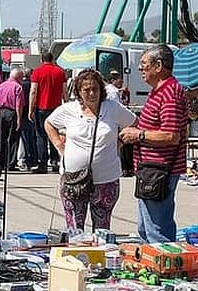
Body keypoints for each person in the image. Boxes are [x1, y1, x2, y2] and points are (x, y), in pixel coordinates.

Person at [45, 70, 137, 232]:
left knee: (102, 230)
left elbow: (134, 123)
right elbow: (49, 123)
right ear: (79, 91)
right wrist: (59, 146)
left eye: (95, 88)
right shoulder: (69, 110)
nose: (92, 93)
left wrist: (121, 141)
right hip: (74, 180)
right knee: (74, 228)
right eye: (86, 90)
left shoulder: (113, 108)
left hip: (106, 179)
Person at [119, 45, 188, 243]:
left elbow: (171, 135)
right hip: (150, 168)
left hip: (160, 170)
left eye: (144, 65)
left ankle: (163, 265)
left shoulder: (170, 93)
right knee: (145, 227)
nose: (141, 70)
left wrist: (138, 135)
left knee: (157, 229)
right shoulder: (159, 91)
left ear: (159, 66)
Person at [28, 51, 68, 173]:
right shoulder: (60, 72)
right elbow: (64, 91)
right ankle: (55, 161)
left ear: (41, 59)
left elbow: (33, 91)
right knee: (55, 135)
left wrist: (31, 109)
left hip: (41, 108)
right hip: (56, 109)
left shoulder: (37, 72)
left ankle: (43, 163)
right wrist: (66, 105)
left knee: (41, 136)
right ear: (52, 59)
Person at [0, 67, 26, 171]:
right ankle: (10, 163)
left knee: (2, 138)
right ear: (18, 77)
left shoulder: (0, 86)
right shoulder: (18, 87)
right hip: (12, 113)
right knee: (12, 139)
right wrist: (19, 119)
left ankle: (1, 162)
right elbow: (19, 105)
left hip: (1, 112)